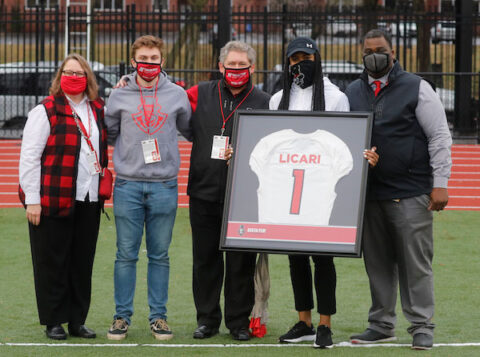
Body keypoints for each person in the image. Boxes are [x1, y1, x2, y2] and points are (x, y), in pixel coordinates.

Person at [345, 29, 452, 350]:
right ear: (361, 54)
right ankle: (381, 323)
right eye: (368, 50)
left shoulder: (417, 87)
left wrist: (441, 184)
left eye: (380, 49)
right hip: (370, 193)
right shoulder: (352, 91)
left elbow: (439, 136)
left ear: (393, 53)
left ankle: (421, 324)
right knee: (376, 263)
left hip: (410, 191)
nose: (373, 55)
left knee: (414, 263)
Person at [269, 37, 378, 349]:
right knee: (295, 258)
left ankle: (324, 323)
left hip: (321, 188)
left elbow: (342, 141)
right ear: (287, 62)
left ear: (317, 58)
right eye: (294, 58)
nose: (300, 63)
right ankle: (303, 320)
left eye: (305, 56)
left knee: (323, 257)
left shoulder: (335, 96)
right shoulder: (278, 98)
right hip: (290, 189)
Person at [104, 35, 191, 341]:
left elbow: (188, 128)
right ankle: (121, 316)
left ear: (162, 61)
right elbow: (111, 132)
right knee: (125, 255)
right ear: (133, 61)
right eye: (144, 59)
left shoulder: (177, 94)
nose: (149, 64)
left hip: (165, 185)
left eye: (154, 59)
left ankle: (158, 317)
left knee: (160, 255)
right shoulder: (119, 95)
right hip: (128, 184)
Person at [19, 53, 108, 340]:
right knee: (52, 262)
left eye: (79, 72)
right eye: (68, 72)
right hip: (53, 199)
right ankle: (54, 320)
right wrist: (33, 199)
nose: (74, 77)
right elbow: (30, 157)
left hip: (89, 197)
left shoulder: (96, 109)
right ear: (59, 76)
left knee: (82, 262)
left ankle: (77, 320)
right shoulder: (45, 110)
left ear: (88, 78)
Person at [186, 41, 271, 341]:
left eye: (242, 65)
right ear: (221, 66)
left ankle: (238, 322)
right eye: (231, 65)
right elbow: (173, 111)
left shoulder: (264, 100)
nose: (237, 70)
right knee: (205, 260)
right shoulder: (199, 93)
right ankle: (207, 320)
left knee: (240, 262)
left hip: (245, 194)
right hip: (203, 190)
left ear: (252, 68)